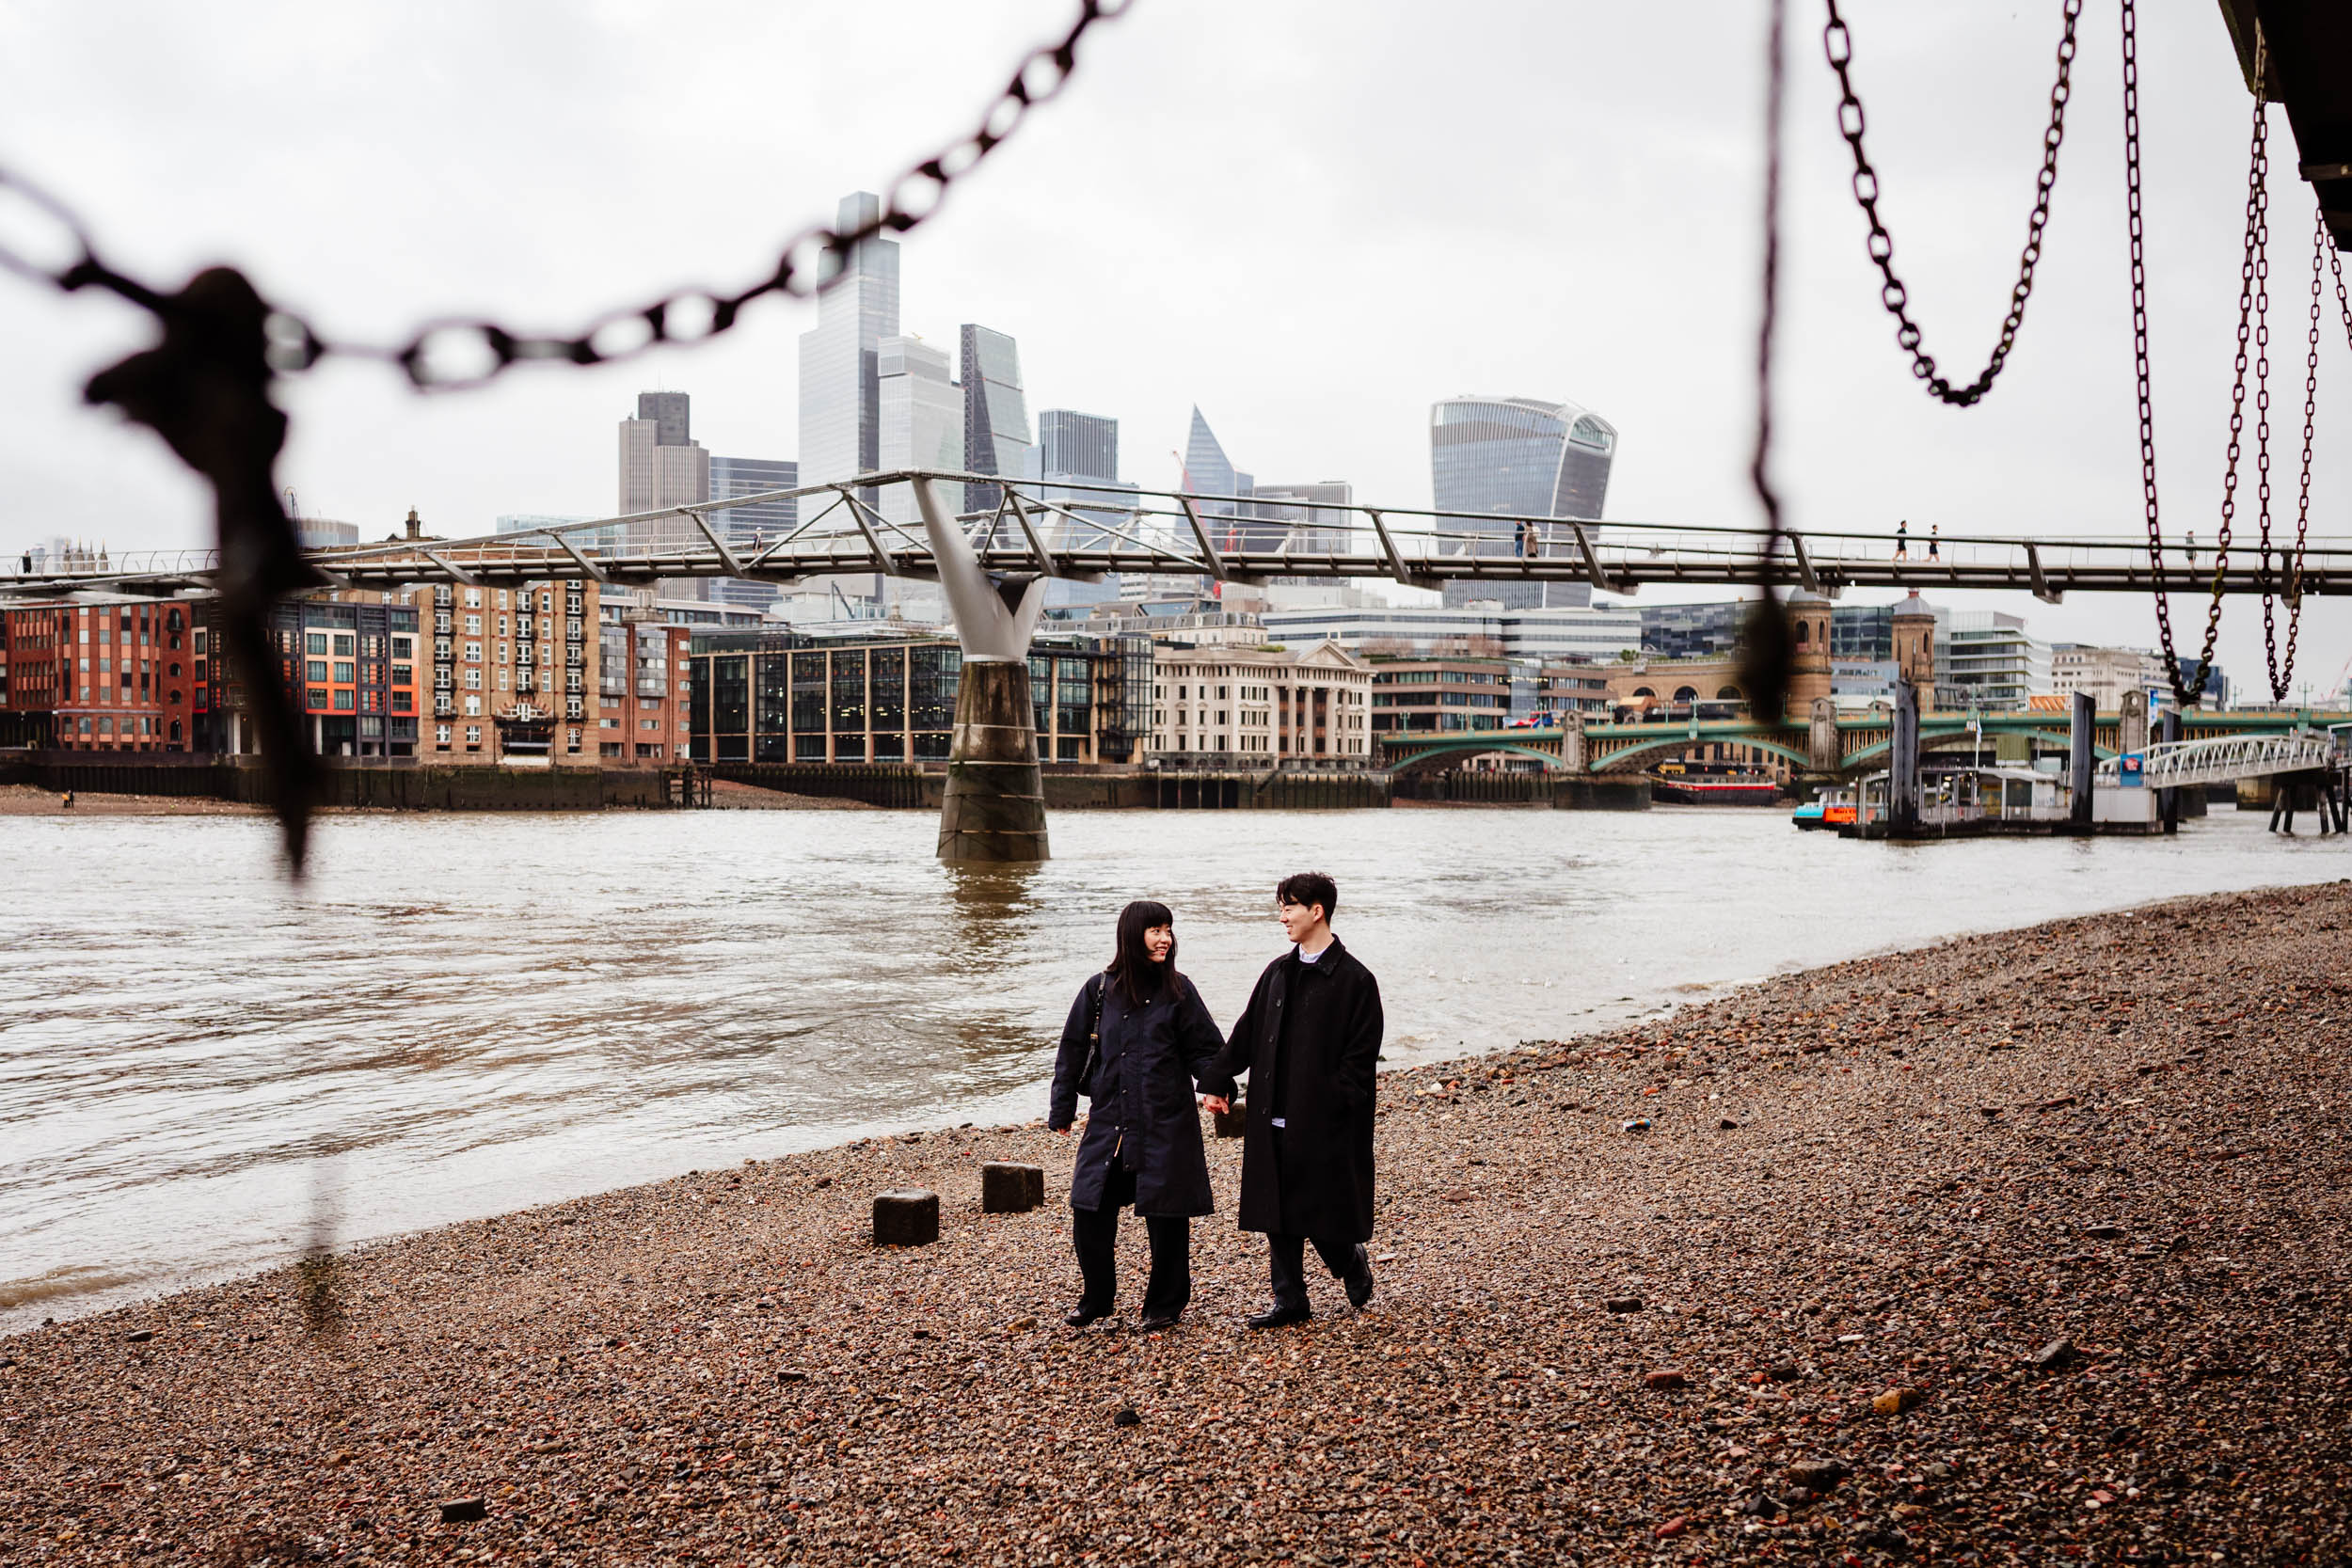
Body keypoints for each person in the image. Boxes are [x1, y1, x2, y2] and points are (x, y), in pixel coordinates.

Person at [1201, 871, 1384, 1329]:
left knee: (1319, 1207)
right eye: (1281, 906)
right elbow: (1246, 1033)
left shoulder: (1356, 980)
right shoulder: (1278, 972)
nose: (1282, 916)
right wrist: (1217, 1079)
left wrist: (1333, 1102)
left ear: (1316, 910)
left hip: (1323, 1119)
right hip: (1270, 1111)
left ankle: (1348, 1260)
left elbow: (1360, 1061)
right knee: (1275, 1207)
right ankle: (1290, 1301)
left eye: (1289, 906)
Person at [1048, 899, 1228, 1331]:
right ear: (1132, 934)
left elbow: (1205, 1050)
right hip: (1111, 1121)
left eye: (1168, 930)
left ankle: (1164, 1304)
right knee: (1088, 1208)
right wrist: (1062, 1106)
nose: (1165, 938)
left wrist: (1216, 1086)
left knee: (1167, 1215)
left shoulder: (1179, 990)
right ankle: (1097, 1298)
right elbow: (1072, 1049)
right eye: (1155, 930)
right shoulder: (1097, 990)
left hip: (1166, 1121)